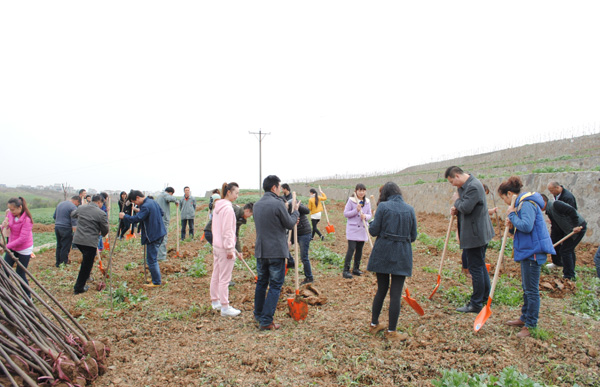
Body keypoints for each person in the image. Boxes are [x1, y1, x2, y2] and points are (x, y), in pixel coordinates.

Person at [498, 177, 556, 338]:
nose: (505, 202)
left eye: (504, 198)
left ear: (509, 193)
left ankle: (531, 324)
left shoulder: (527, 204)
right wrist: (511, 224)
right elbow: (520, 228)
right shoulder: (522, 205)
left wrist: (512, 216)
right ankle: (524, 317)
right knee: (526, 288)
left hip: (533, 252)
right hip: (527, 250)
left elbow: (526, 226)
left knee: (531, 290)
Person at [367, 182, 417, 341]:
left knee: (381, 289)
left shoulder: (383, 207)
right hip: (402, 253)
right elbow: (414, 236)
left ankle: (374, 325)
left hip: (383, 252)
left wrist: (372, 221)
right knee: (396, 294)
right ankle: (392, 331)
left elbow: (373, 231)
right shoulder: (410, 209)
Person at [445, 166, 495, 313]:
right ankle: (485, 295)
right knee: (479, 264)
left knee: (476, 268)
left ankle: (476, 303)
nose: (452, 185)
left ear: (457, 176)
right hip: (476, 232)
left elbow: (466, 207)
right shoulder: (467, 186)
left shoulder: (473, 186)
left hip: (476, 234)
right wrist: (456, 208)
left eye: (451, 181)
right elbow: (464, 207)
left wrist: (457, 202)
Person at [253, 175, 299, 331]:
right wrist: (295, 213)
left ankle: (258, 314)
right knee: (275, 285)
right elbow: (290, 223)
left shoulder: (257, 205)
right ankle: (266, 320)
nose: (280, 190)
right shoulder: (278, 203)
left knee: (261, 283)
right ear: (274, 188)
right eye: (279, 187)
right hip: (276, 251)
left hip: (261, 250)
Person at [119, 190, 167, 286]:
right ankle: (155, 278)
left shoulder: (145, 206)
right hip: (160, 232)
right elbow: (161, 213)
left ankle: (157, 281)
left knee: (151, 260)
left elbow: (137, 219)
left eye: (134, 202)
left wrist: (125, 217)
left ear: (137, 197)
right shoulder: (152, 202)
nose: (135, 204)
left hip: (153, 235)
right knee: (152, 258)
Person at [210, 182, 242, 317]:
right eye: (236, 193)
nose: (237, 196)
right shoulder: (228, 209)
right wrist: (230, 248)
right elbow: (228, 231)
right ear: (229, 192)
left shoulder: (217, 206)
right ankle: (225, 307)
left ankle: (215, 301)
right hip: (224, 247)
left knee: (216, 274)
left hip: (216, 245)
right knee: (225, 278)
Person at [541, 194, 586, 280]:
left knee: (566, 250)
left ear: (544, 202)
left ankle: (569, 275)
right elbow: (556, 227)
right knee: (568, 250)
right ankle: (570, 272)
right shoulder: (549, 211)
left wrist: (576, 225)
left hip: (578, 228)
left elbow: (571, 211)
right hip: (569, 230)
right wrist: (552, 241)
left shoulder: (556, 204)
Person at [71, 195, 109, 295]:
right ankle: (79, 287)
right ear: (99, 202)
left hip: (78, 240)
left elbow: (73, 215)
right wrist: (102, 233)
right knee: (86, 265)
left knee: (87, 260)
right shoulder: (101, 213)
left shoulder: (81, 208)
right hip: (90, 242)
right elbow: (105, 229)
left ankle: (86, 276)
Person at [1, 197, 34, 298]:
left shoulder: (27, 220)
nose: (11, 212)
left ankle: (28, 297)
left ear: (20, 207)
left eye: (13, 209)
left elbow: (22, 239)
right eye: (10, 209)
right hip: (12, 245)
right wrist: (3, 226)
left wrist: (6, 246)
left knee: (20, 274)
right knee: (5, 270)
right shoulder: (10, 215)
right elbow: (5, 225)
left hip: (24, 248)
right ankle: (5, 295)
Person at [342, 184, 372, 279]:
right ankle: (346, 270)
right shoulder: (351, 201)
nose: (361, 192)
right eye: (359, 190)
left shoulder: (367, 202)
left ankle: (356, 269)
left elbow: (370, 214)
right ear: (356, 191)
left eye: (363, 190)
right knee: (351, 249)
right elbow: (346, 214)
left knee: (359, 250)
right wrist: (356, 210)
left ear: (365, 191)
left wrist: (365, 216)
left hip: (362, 229)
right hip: (353, 229)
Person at [546, 182, 578, 270]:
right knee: (555, 241)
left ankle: (570, 268)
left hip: (567, 226)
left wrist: (571, 226)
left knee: (567, 248)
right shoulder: (557, 195)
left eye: (552, 190)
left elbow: (572, 212)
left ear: (557, 187)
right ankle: (557, 262)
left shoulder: (568, 197)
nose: (551, 193)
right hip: (558, 225)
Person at [287, 196, 314, 284]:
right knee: (284, 246)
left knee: (304, 257)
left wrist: (297, 207)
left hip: (304, 233)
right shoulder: (283, 209)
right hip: (294, 231)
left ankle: (309, 277)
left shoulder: (293, 203)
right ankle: (291, 262)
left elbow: (307, 211)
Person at [53, 195, 81, 267]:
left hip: (57, 227)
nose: (77, 205)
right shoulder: (73, 207)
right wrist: (76, 232)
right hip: (66, 228)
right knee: (65, 246)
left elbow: (54, 216)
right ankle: (63, 263)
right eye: (78, 204)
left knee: (59, 245)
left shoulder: (60, 204)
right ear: (76, 201)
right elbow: (74, 221)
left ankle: (57, 263)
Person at [155, 187, 178, 262]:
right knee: (163, 238)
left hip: (157, 220)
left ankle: (156, 255)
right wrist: (176, 201)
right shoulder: (165, 195)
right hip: (163, 220)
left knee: (157, 238)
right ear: (170, 193)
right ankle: (161, 257)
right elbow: (170, 198)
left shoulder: (158, 196)